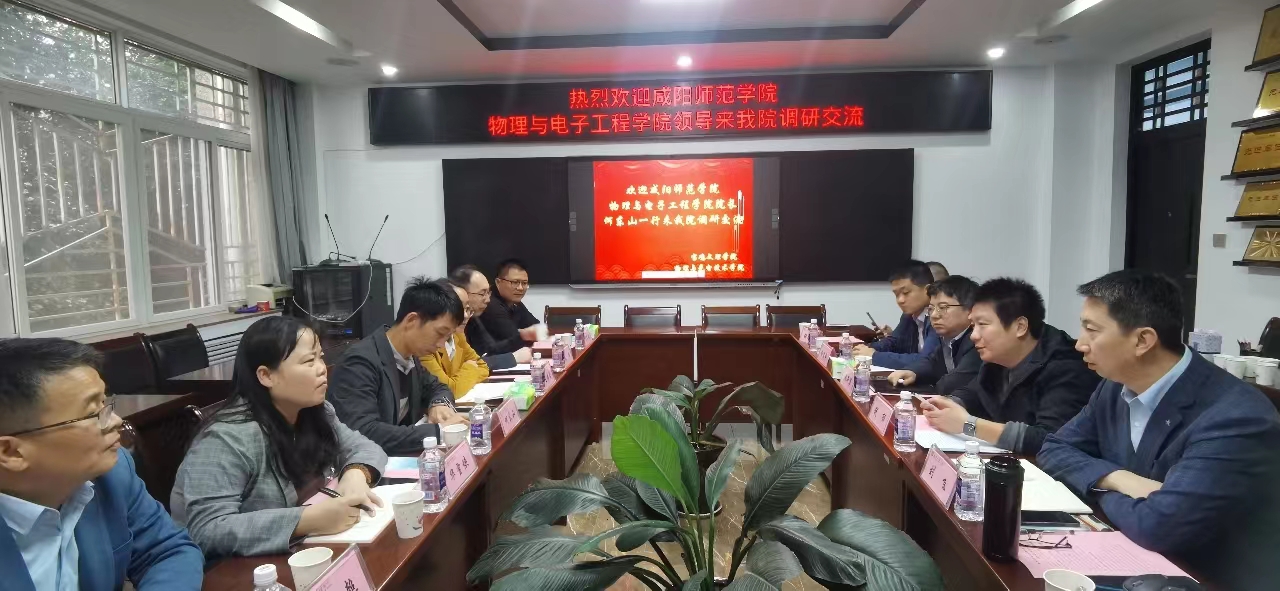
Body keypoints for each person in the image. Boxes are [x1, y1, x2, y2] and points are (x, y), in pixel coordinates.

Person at [1038, 270, 1280, 590]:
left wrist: (1092, 485)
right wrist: (1117, 479)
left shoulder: (1235, 417)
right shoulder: (1115, 386)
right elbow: (1053, 448)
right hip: (1135, 561)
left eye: (1092, 330)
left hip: (1208, 578)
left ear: (1143, 340)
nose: (1080, 344)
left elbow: (1159, 526)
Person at [172, 316, 388, 560]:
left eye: (320, 357)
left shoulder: (316, 411)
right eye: (309, 361)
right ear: (266, 375)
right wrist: (306, 520)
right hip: (237, 569)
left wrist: (356, 474)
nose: (322, 369)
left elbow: (365, 447)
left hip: (303, 552)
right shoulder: (225, 440)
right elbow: (207, 530)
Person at [0, 339, 203, 590]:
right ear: (11, 452)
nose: (116, 421)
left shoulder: (112, 474)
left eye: (105, 405)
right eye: (91, 414)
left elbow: (167, 550)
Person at [920, 278, 1099, 455]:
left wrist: (968, 425)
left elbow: (1050, 439)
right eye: (973, 326)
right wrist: (951, 403)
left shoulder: (1066, 366)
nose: (973, 335)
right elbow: (976, 391)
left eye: (982, 325)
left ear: (1020, 327)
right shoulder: (999, 357)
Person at [328, 277, 470, 456]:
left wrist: (439, 404)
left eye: (447, 337)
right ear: (411, 321)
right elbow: (364, 431)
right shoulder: (359, 363)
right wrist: (437, 431)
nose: (441, 344)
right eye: (440, 333)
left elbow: (437, 387)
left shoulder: (410, 355)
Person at [886, 275, 980, 396]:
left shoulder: (978, 341)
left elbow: (953, 383)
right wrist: (912, 372)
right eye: (931, 308)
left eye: (943, 307)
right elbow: (931, 363)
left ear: (970, 310)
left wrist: (932, 386)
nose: (934, 315)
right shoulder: (947, 338)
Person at [851, 260, 938, 370]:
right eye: (896, 295)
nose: (900, 300)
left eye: (906, 293)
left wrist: (874, 356)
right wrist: (864, 349)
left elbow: (927, 360)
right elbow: (893, 342)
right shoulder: (909, 315)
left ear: (927, 290)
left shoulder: (938, 318)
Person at [451, 265, 532, 370]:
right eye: (482, 293)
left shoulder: (473, 318)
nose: (488, 300)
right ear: (462, 293)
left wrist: (522, 336)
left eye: (488, 292)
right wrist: (513, 358)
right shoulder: (451, 325)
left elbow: (489, 351)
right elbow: (464, 366)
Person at [423, 279, 490, 399]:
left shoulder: (458, 335)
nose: (465, 316)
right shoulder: (425, 344)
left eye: (467, 309)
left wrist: (458, 380)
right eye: (458, 309)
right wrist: (470, 367)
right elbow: (449, 390)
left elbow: (483, 367)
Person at [476, 259, 544, 355]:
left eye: (524, 283)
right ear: (498, 282)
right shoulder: (491, 305)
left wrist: (530, 333)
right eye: (515, 282)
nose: (520, 288)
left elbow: (535, 327)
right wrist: (526, 334)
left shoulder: (514, 302)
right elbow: (514, 339)